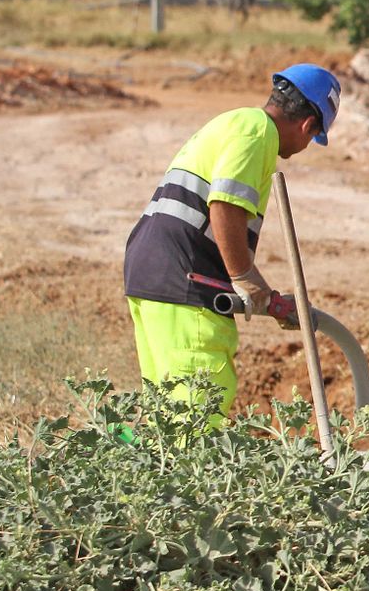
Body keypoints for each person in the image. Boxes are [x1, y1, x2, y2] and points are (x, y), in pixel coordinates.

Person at [123, 64, 341, 417]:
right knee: (199, 407)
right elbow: (224, 204)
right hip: (185, 278)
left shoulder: (234, 122)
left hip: (150, 270)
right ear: (307, 126)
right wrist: (244, 276)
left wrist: (265, 296)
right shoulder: (258, 134)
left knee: (166, 411)